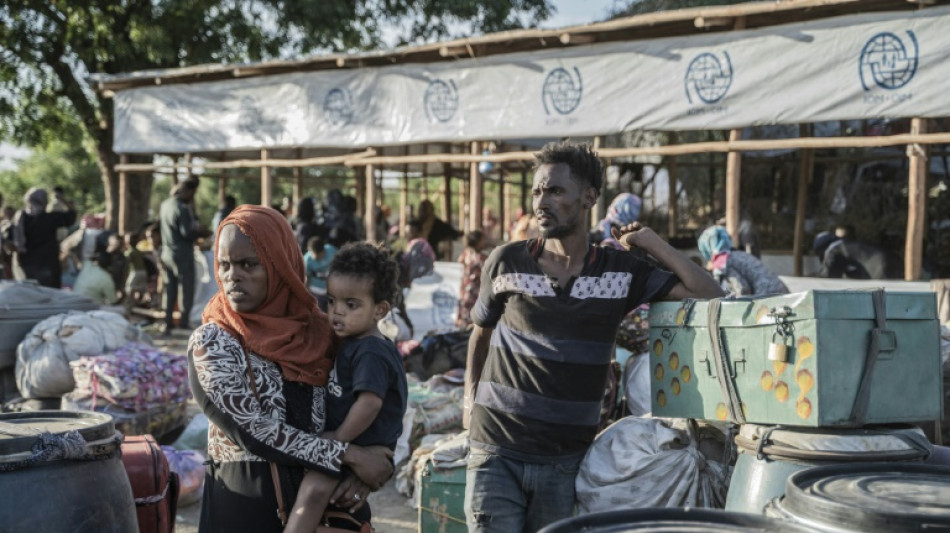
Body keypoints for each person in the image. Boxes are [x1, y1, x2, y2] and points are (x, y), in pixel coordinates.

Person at [463, 142, 723, 532]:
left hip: (565, 460)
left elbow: (711, 294)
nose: (541, 202)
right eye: (536, 191)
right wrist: (469, 399)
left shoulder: (620, 272)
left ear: (589, 197)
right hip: (496, 448)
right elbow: (479, 334)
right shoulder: (506, 261)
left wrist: (653, 244)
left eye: (554, 190)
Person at [188, 205, 394, 533]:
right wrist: (348, 455)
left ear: (280, 264)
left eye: (248, 264)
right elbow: (253, 430)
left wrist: (378, 459)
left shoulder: (326, 332)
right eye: (224, 264)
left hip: (325, 507)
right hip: (243, 508)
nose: (232, 275)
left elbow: (378, 395)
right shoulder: (214, 341)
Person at [285, 242, 408, 533]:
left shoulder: (370, 351)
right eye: (331, 301)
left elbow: (370, 403)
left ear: (380, 310)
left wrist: (337, 442)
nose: (337, 312)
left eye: (351, 305)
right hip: (358, 442)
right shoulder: (354, 342)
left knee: (313, 492)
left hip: (364, 443)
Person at [11, 187, 76, 288]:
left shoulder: (20, 219)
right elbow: (71, 216)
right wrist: (63, 200)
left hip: (28, 268)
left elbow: (14, 244)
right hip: (49, 267)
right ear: (44, 202)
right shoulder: (49, 218)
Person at [698, 225, 788, 296]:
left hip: (769, 298)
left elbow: (742, 289)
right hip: (782, 293)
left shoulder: (723, 261)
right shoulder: (738, 254)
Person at [160, 179, 200, 332]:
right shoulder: (182, 209)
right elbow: (186, 233)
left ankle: (167, 321)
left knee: (170, 289)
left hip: (166, 253)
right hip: (182, 254)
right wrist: (201, 232)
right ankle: (184, 321)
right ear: (188, 191)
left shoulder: (165, 205)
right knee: (186, 288)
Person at [814, 226, 902, 279]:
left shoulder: (833, 249)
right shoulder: (849, 244)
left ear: (822, 249)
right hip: (893, 266)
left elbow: (827, 278)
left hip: (879, 274)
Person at [456, 230, 488, 328]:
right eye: (483, 240)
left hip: (465, 289)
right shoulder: (480, 258)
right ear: (477, 242)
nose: (485, 242)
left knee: (465, 312)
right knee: (473, 316)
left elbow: (459, 262)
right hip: (475, 291)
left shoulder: (466, 254)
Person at [304, 235, 336, 310]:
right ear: (310, 250)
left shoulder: (331, 251)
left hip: (331, 291)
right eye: (316, 256)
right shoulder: (307, 260)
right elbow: (306, 279)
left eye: (320, 255)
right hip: (316, 292)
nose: (319, 258)